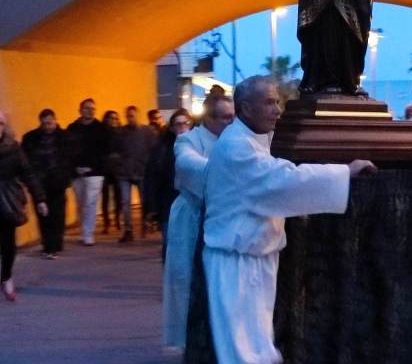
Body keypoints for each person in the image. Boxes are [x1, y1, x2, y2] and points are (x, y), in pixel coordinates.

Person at [203, 76, 376, 362]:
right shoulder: (236, 146)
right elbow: (280, 180)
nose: (278, 109)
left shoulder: (254, 139)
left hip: (256, 256)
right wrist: (344, 172)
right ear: (246, 108)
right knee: (242, 349)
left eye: (278, 102)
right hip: (235, 260)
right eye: (270, 102)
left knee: (258, 343)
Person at [163, 94, 234, 351]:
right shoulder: (187, 140)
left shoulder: (237, 140)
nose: (231, 122)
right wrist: (232, 177)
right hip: (192, 216)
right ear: (209, 118)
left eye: (233, 117)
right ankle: (189, 342)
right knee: (186, 280)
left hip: (224, 220)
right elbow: (188, 164)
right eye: (226, 117)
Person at [0, 110, 48, 301]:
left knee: (9, 244)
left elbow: (28, 173)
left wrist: (40, 198)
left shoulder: (13, 148)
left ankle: (7, 277)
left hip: (8, 200)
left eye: (0, 123)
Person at [21, 109, 72, 259]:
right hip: (39, 183)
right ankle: (48, 245)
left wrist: (66, 175)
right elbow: (25, 161)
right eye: (44, 124)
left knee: (57, 214)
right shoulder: (31, 138)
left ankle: (55, 243)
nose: (47, 126)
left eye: (49, 123)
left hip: (58, 182)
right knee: (43, 215)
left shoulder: (64, 137)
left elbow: (70, 158)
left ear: (55, 120)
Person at [146, 109, 192, 263]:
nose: (182, 127)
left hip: (192, 203)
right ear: (171, 127)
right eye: (178, 124)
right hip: (168, 202)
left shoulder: (198, 146)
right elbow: (152, 176)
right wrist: (151, 206)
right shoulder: (163, 148)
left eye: (185, 123)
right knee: (170, 242)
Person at [67, 98, 109, 246]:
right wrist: (75, 168)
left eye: (92, 108)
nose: (90, 111)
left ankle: (88, 234)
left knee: (91, 203)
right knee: (81, 203)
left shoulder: (101, 129)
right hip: (77, 172)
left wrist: (95, 167)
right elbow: (67, 151)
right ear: (80, 110)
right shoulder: (72, 128)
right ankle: (83, 230)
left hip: (95, 173)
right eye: (86, 108)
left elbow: (106, 152)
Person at [117, 105, 156, 243]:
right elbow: (117, 150)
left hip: (141, 171)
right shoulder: (121, 132)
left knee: (144, 201)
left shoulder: (147, 132)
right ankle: (128, 229)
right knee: (125, 202)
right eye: (128, 116)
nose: (130, 119)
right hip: (125, 172)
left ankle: (145, 223)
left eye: (132, 116)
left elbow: (154, 151)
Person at [100, 110, 122, 235]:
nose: (113, 120)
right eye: (111, 118)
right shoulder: (102, 133)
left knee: (118, 196)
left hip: (117, 168)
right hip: (105, 168)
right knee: (105, 197)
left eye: (115, 118)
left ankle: (118, 220)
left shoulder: (120, 133)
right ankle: (106, 223)